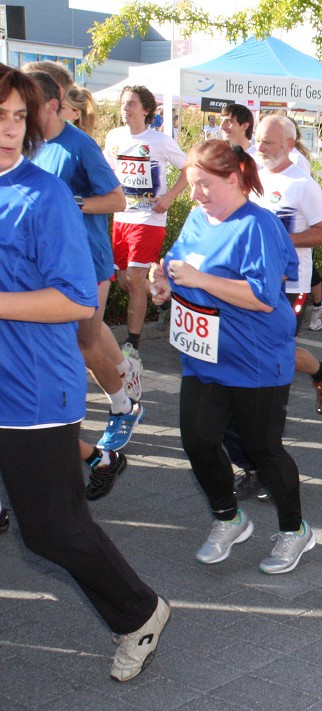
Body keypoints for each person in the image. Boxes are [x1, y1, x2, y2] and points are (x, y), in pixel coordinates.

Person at [0, 64, 168, 682]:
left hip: (34, 390)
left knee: (50, 531)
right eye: (2, 116)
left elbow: (76, 300)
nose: (13, 129)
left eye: (20, 116)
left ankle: (141, 611)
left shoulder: (41, 195)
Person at [148, 139, 315, 574]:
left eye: (204, 185)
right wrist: (163, 283)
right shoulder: (198, 219)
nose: (197, 194)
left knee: (263, 450)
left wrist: (199, 277)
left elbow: (261, 297)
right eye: (191, 185)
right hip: (204, 355)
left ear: (235, 178)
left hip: (256, 359)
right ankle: (229, 518)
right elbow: (177, 265)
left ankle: (295, 531)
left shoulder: (258, 226)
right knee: (198, 441)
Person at [27, 72, 144, 472]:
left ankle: (123, 405)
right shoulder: (26, 144)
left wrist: (70, 205)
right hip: (43, 264)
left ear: (52, 103)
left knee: (84, 343)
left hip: (87, 263)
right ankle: (124, 374)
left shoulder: (79, 146)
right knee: (66, 342)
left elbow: (117, 199)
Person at [250, 115, 322, 414]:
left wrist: (281, 240)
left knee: (275, 346)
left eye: (267, 142)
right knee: (259, 343)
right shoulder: (254, 177)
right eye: (258, 140)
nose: (259, 147)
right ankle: (321, 373)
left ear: (289, 145)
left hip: (291, 284)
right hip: (253, 280)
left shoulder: (303, 185)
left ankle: (316, 376)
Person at [104, 85, 189, 354]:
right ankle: (164, 300)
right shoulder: (114, 136)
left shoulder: (160, 141)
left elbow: (189, 168)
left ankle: (132, 343)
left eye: (131, 104)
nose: (125, 109)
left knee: (134, 276)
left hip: (149, 219)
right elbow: (107, 172)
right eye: (124, 103)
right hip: (121, 217)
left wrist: (169, 198)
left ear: (146, 109)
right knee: (124, 280)